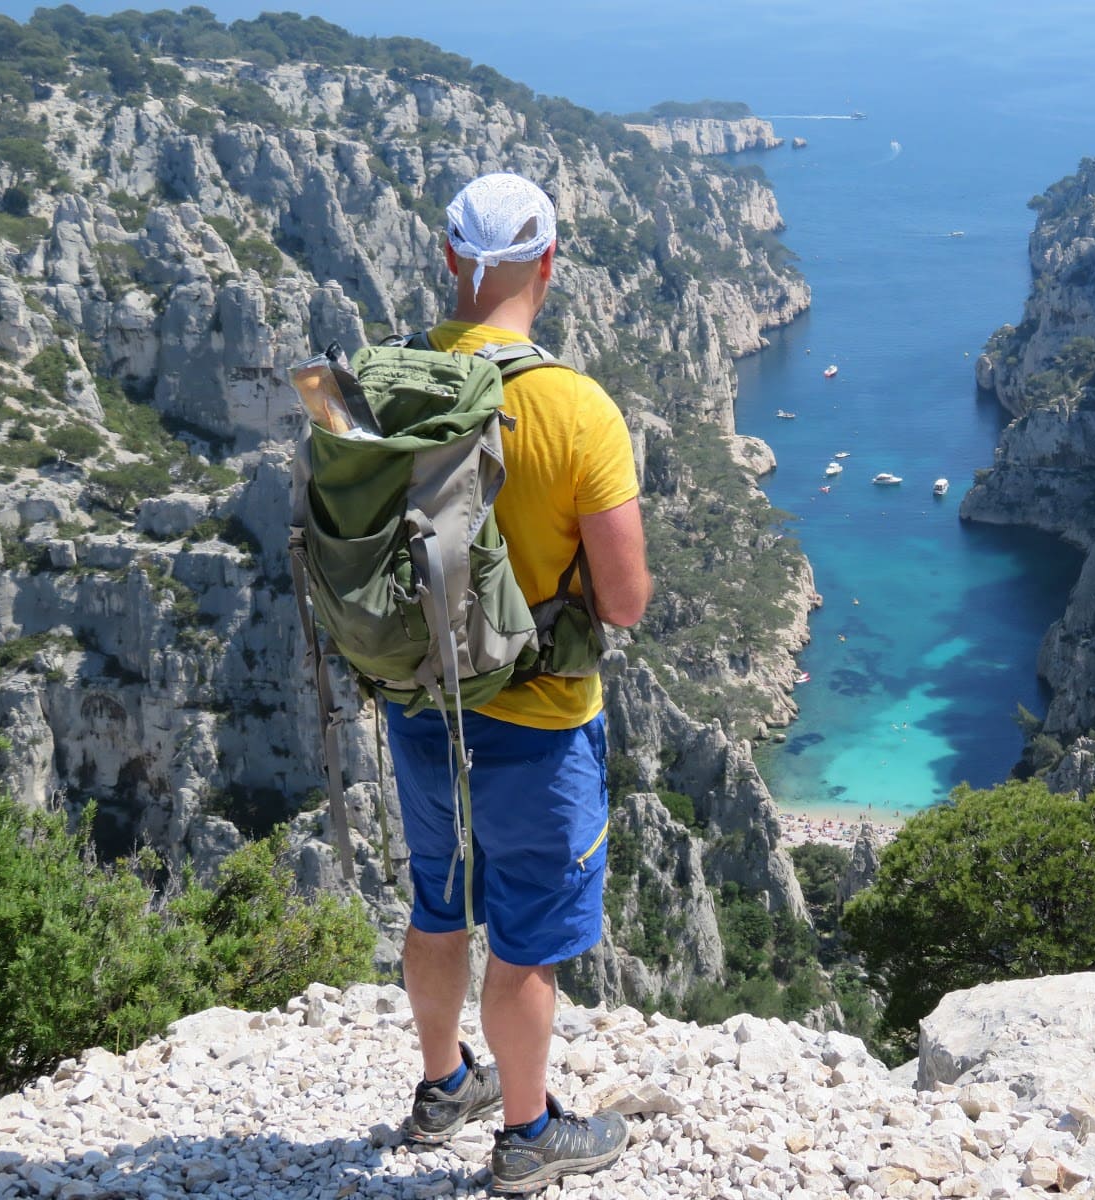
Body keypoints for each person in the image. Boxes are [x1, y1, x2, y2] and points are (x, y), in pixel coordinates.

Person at [384, 172, 651, 1194]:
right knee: (529, 935)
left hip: (423, 699)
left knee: (439, 899)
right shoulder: (575, 409)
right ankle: (530, 1133)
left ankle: (444, 1085)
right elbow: (623, 602)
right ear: (548, 263)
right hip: (538, 720)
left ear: (450, 258)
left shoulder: (393, 385)